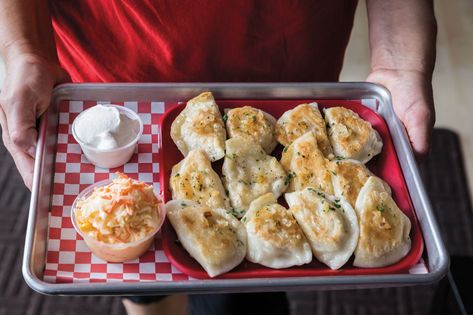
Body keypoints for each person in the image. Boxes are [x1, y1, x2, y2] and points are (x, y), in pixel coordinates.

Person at [0, 1, 437, 314]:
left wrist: (401, 65)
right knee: (140, 266)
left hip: (285, 72)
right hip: (118, 85)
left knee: (252, 281)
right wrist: (27, 52)